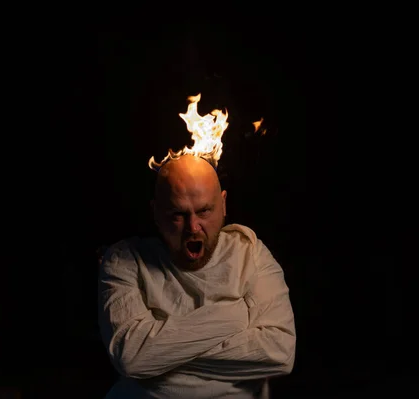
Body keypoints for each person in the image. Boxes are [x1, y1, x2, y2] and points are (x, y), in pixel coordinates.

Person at [98, 154, 296, 398]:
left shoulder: (250, 253)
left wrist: (160, 356)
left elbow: (280, 352)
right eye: (177, 215)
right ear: (156, 213)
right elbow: (131, 357)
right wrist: (235, 316)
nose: (193, 227)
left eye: (204, 211)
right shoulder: (123, 260)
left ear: (223, 204)